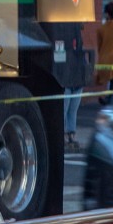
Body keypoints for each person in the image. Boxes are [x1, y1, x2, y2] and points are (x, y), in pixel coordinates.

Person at [49, 21, 93, 152]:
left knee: (68, 108)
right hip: (73, 77)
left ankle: (68, 135)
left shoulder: (65, 43)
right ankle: (68, 135)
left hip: (70, 77)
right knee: (70, 109)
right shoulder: (73, 43)